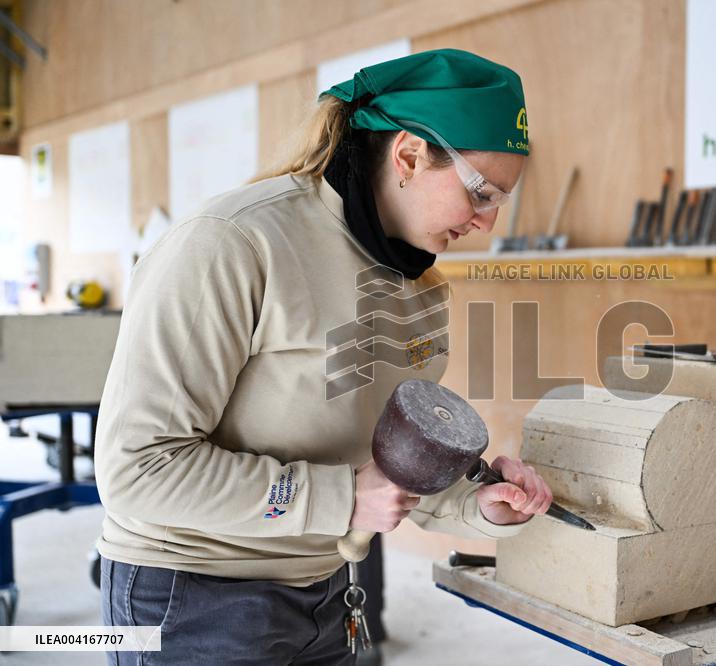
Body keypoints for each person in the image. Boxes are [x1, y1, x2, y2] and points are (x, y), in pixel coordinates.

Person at [95, 48, 553, 665]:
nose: (487, 221)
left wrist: (482, 506)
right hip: (192, 596)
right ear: (410, 155)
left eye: (501, 200)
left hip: (326, 590)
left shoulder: (419, 288)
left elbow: (388, 464)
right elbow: (137, 469)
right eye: (480, 192)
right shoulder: (232, 246)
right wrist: (340, 500)